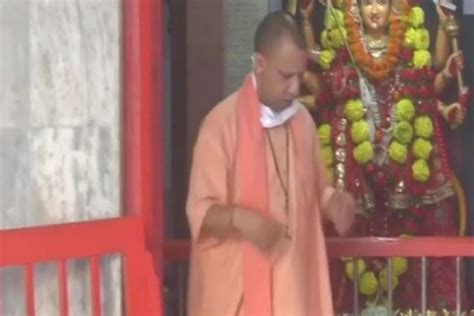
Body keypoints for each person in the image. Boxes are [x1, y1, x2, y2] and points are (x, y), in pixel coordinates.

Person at [292, 0, 470, 312]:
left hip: (405, 163)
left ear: (394, 7)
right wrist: (307, 25)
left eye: (382, 2)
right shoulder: (346, 47)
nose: (375, 9)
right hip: (357, 165)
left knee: (422, 228)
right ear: (356, 8)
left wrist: (446, 92)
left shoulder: (407, 47)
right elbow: (320, 82)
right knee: (346, 234)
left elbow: (426, 87)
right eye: (368, 2)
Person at [186, 11, 356, 316]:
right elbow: (200, 213)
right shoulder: (220, 125)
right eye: (285, 76)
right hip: (238, 297)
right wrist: (240, 218)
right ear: (260, 64)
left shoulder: (302, 122)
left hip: (294, 294)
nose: (294, 89)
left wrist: (335, 203)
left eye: (299, 76)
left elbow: (317, 192)